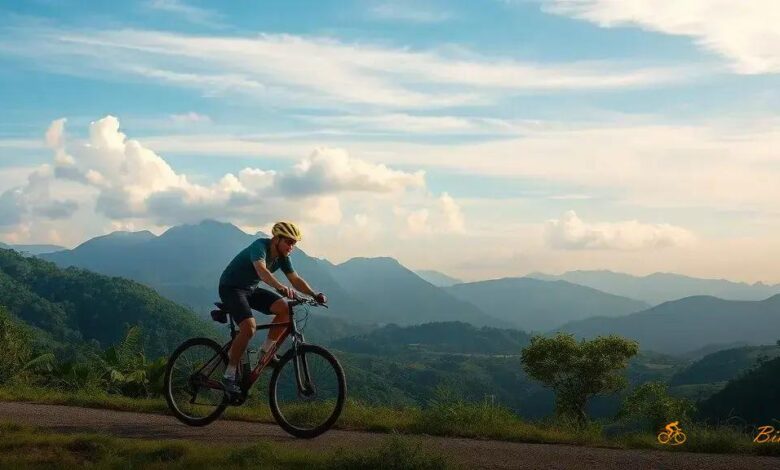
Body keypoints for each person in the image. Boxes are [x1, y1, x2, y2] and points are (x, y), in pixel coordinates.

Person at [218, 221, 326, 395]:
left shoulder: (283, 258)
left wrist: (314, 295)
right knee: (249, 328)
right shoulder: (259, 246)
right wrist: (280, 287)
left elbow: (295, 279)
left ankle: (265, 353)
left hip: (250, 289)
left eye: (294, 244)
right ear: (276, 239)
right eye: (289, 242)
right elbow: (262, 271)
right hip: (231, 287)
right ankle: (229, 376)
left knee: (284, 308)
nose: (292, 247)